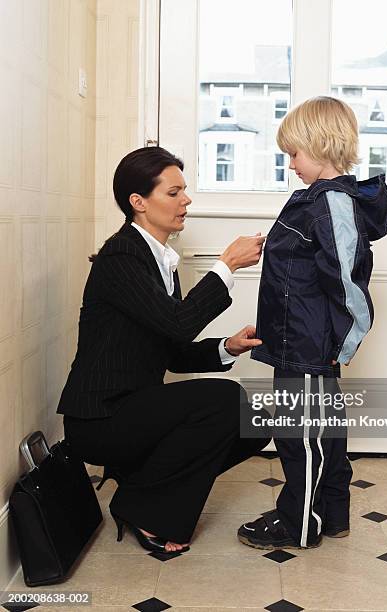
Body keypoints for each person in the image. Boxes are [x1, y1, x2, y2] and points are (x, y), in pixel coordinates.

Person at [58, 146, 270, 553]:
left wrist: (226, 347)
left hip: (135, 409)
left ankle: (141, 487)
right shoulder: (122, 257)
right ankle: (147, 511)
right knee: (226, 399)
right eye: (173, 193)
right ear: (138, 202)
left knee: (254, 421)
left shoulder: (158, 260)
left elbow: (171, 349)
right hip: (100, 420)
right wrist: (227, 264)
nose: (186, 200)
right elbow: (178, 323)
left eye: (184, 191)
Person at [237, 96, 387, 549]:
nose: (290, 165)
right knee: (321, 432)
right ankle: (330, 513)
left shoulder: (332, 205)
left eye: (294, 154)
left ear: (321, 147)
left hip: (308, 346)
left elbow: (347, 282)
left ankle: (298, 523)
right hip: (298, 340)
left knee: (301, 437)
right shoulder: (318, 201)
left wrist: (342, 344)